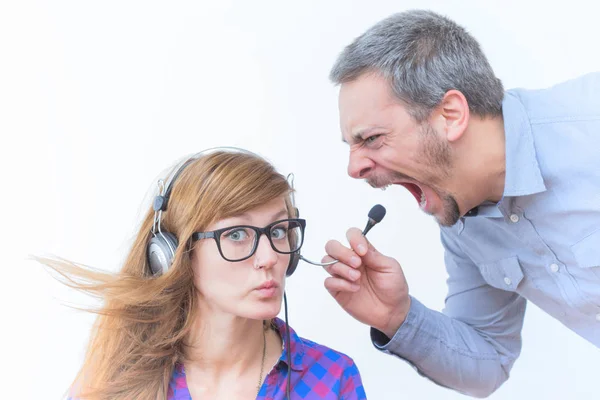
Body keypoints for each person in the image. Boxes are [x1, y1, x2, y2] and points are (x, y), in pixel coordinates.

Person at [322, 8, 600, 398]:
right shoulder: (463, 224)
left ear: (451, 115)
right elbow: (489, 359)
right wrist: (396, 316)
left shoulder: (591, 124)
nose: (355, 168)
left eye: (370, 139)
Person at [37, 148, 367, 400]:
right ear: (172, 255)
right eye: (237, 234)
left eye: (279, 231)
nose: (268, 257)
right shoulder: (113, 378)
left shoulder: (333, 378)